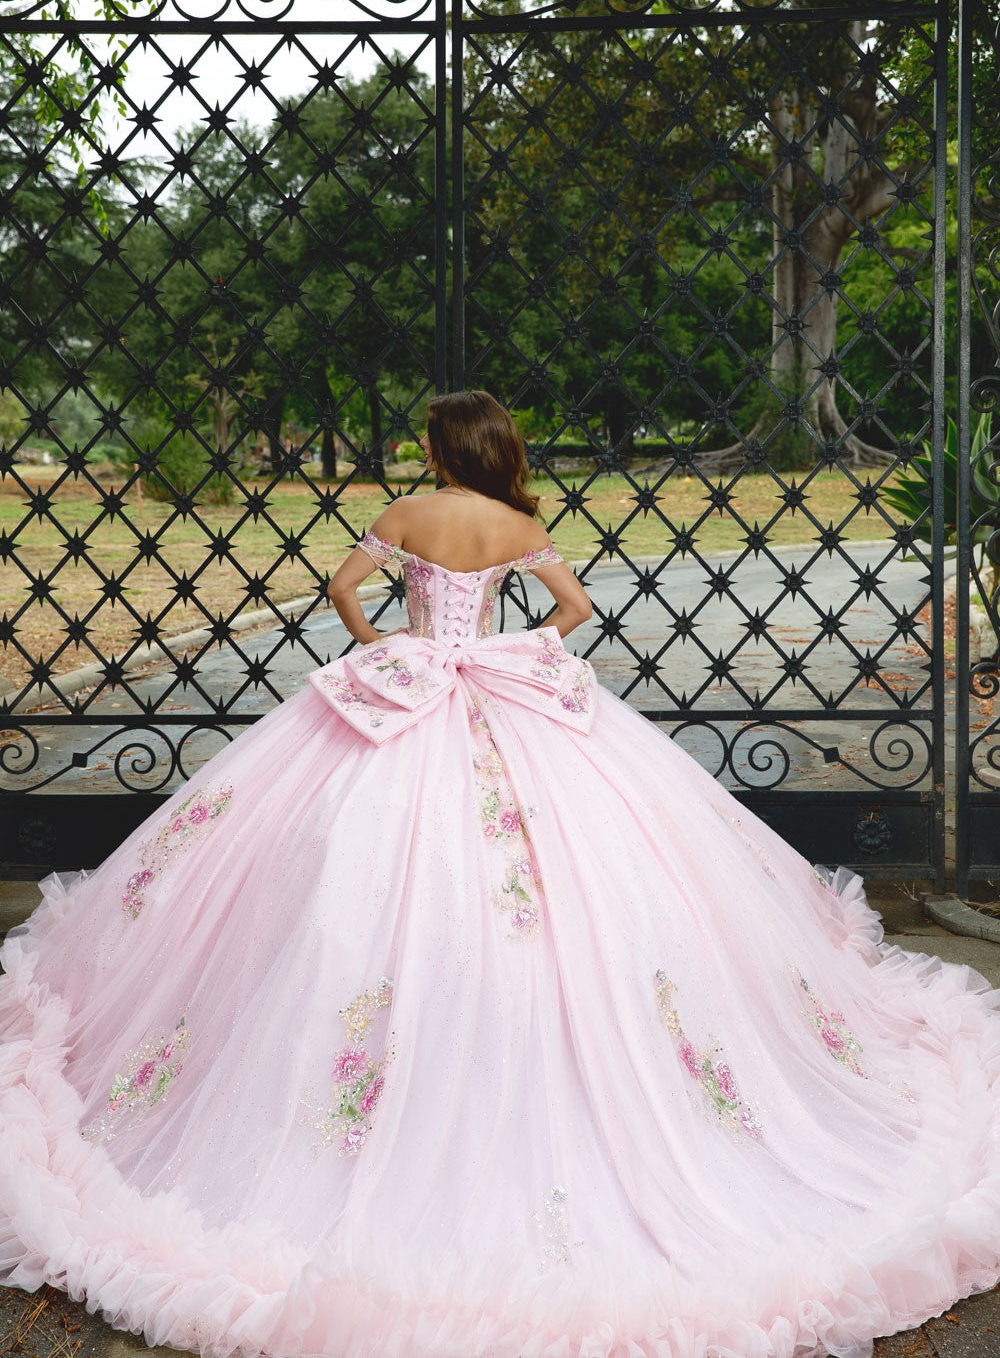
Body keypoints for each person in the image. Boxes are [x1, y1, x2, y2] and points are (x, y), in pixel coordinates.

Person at [2, 389, 1000, 1358]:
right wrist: (509, 653)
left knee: (345, 874)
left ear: (441, 449)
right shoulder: (517, 523)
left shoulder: (406, 511)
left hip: (408, 698)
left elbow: (344, 590)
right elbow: (570, 607)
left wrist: (383, 644)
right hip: (501, 691)